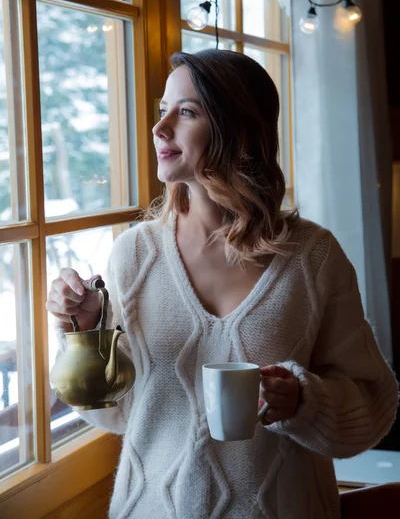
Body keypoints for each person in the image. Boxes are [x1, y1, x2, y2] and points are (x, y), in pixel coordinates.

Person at [47, 50, 398, 519]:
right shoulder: (134, 255)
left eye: (186, 112)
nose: (160, 127)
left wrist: (303, 401)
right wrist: (85, 332)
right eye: (162, 110)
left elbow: (371, 406)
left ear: (239, 131)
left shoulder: (313, 257)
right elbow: (112, 409)